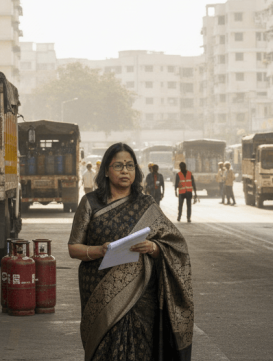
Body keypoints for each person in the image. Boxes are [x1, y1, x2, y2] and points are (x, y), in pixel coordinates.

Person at [68, 143, 193, 361]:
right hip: (100, 293)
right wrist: (99, 250)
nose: (125, 171)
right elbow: (73, 248)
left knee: (141, 348)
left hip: (141, 296)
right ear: (106, 170)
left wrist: (154, 248)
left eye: (130, 165)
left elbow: (176, 245)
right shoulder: (90, 203)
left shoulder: (146, 204)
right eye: (118, 165)